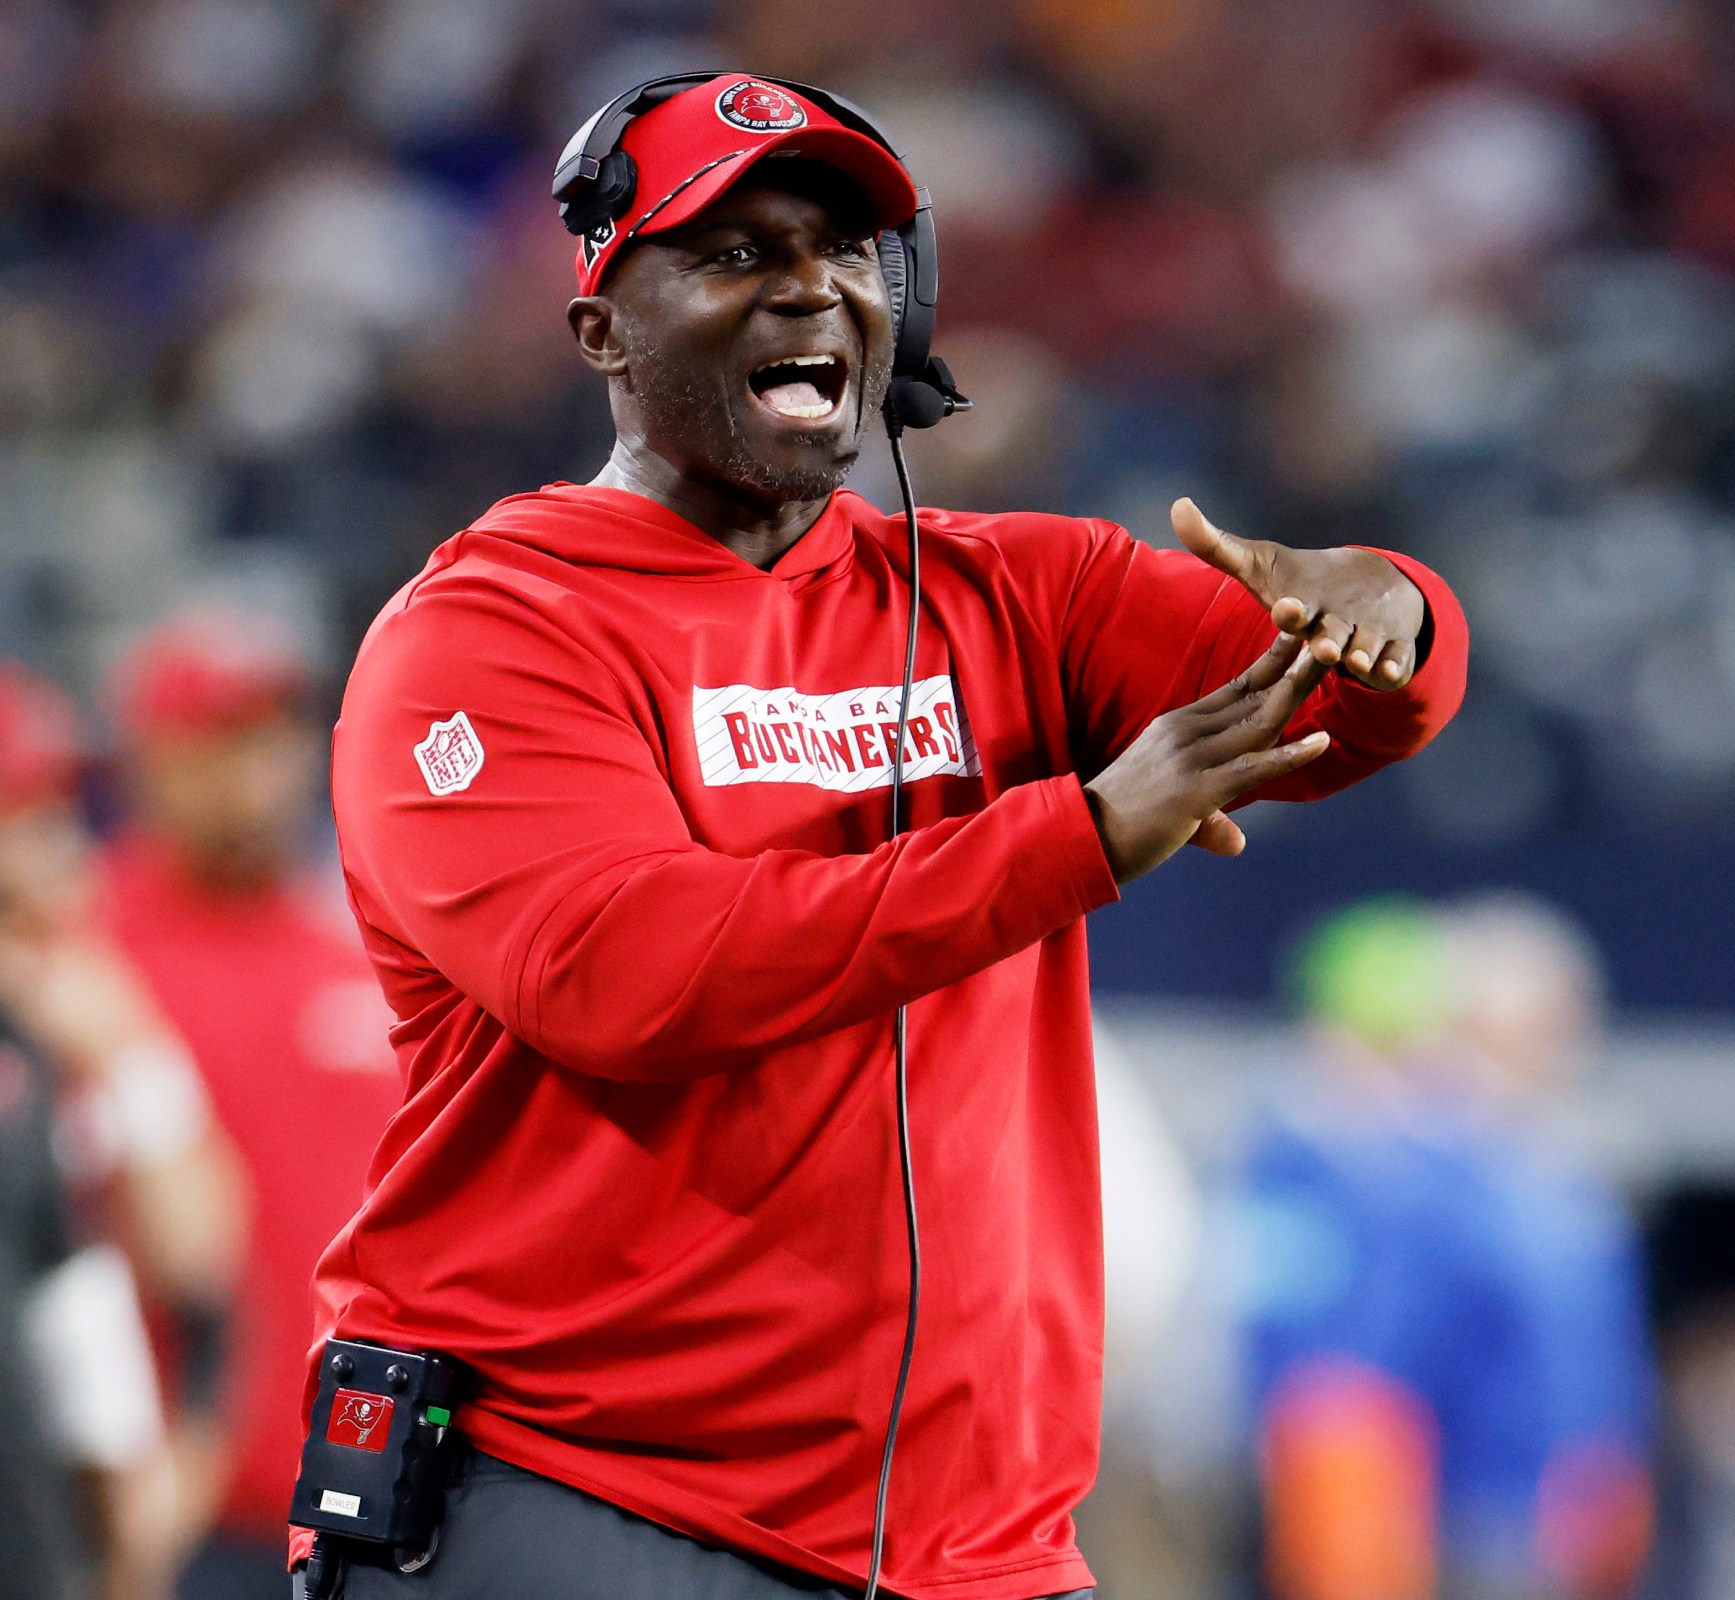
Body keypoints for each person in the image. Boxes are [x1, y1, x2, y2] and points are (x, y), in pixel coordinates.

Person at [310, 74, 1467, 1600]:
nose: (808, 285)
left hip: (973, 1555)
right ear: (604, 331)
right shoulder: (488, 636)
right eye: (733, 254)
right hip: (584, 1499)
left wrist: (1389, 606)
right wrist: (1081, 835)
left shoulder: (1008, 594)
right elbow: (628, 974)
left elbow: (1348, 707)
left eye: (846, 250)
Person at [95, 614, 403, 1600]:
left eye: (272, 732)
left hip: (365, 1495)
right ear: (154, 758)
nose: (256, 767)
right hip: (168, 1513)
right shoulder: (87, 960)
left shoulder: (368, 944)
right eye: (222, 738)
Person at [1241, 896, 1654, 1600]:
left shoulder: (1554, 1175)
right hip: (1467, 1514)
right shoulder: (1398, 1177)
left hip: (1555, 1509)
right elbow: (1350, 1374)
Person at [0, 660, 245, 1600]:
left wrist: (131, 1056)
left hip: (56, 1518)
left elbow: (199, 1253)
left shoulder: (80, 1003)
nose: (60, 843)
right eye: (28, 812)